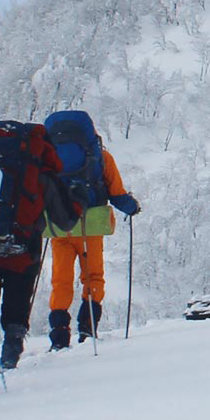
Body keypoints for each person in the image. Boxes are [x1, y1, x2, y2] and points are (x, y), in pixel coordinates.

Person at [0, 119, 64, 380]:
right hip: (24, 248)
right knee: (17, 305)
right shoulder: (40, 174)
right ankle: (9, 360)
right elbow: (64, 217)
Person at [43, 111, 140, 348]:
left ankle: (59, 334)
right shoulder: (101, 157)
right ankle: (87, 328)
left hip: (59, 225)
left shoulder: (48, 158)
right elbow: (116, 193)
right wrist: (132, 207)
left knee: (61, 279)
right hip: (91, 224)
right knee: (93, 275)